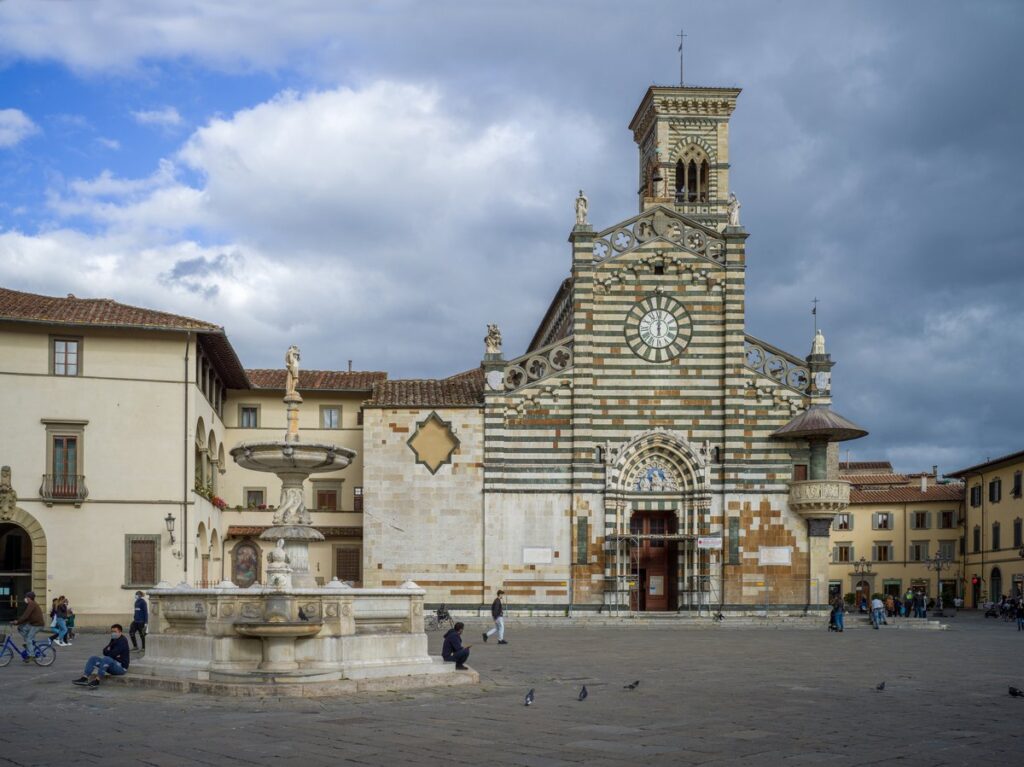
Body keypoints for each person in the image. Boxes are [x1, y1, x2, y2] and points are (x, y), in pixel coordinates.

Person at [11, 591, 44, 656]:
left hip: (37, 625)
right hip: (33, 624)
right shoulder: (31, 604)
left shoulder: (32, 604)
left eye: (26, 597)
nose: (25, 598)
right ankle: (30, 643)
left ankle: (31, 655)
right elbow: (26, 617)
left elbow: (26, 615)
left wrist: (17, 622)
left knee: (29, 639)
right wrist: (18, 622)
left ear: (29, 598)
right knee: (20, 628)